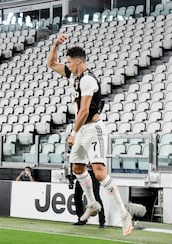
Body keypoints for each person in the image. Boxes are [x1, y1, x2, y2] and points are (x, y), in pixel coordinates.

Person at [47, 34, 132, 236]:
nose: (67, 65)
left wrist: (73, 133)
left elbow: (84, 111)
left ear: (79, 62)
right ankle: (93, 203)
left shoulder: (88, 80)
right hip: (82, 129)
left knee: (100, 172)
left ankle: (124, 214)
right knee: (77, 168)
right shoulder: (74, 75)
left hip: (94, 130)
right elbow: (51, 64)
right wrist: (55, 44)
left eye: (69, 62)